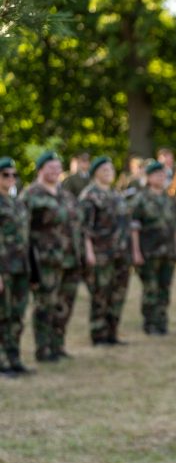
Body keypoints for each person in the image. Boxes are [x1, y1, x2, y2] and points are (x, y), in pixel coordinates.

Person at [23, 151, 81, 362]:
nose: (55, 171)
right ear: (40, 169)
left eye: (58, 168)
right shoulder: (31, 195)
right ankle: (43, 348)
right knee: (45, 305)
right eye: (51, 167)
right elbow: (23, 230)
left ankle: (58, 345)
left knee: (64, 304)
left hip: (70, 259)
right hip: (46, 260)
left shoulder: (65, 194)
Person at [80, 156, 131, 345]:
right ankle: (98, 334)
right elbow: (84, 229)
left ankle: (112, 333)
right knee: (100, 294)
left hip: (120, 254)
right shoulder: (89, 196)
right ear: (95, 173)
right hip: (101, 254)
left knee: (118, 294)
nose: (109, 173)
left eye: (111, 170)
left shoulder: (117, 195)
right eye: (104, 170)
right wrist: (89, 253)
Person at [130, 161, 176, 335]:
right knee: (150, 289)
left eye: (163, 175)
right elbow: (134, 228)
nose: (161, 178)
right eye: (157, 175)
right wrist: (136, 252)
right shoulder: (140, 199)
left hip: (167, 252)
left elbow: (175, 227)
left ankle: (161, 322)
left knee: (164, 289)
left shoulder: (169, 199)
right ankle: (150, 323)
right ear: (149, 177)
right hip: (149, 252)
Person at [0, 157, 32, 376]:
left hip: (20, 266)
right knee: (2, 314)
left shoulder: (17, 202)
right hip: (3, 268)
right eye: (5, 174)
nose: (11, 178)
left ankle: (14, 357)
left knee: (17, 315)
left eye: (14, 175)